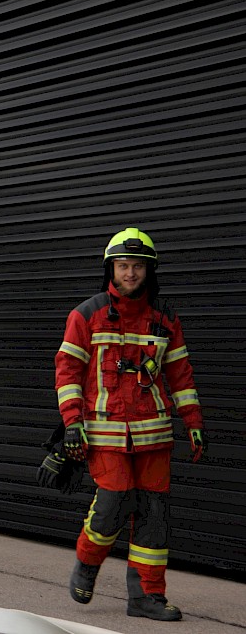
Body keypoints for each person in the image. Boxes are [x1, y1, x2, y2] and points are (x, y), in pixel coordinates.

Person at [55, 228, 206, 622]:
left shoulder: (165, 319)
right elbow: (67, 372)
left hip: (154, 435)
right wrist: (72, 423)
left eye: (137, 266)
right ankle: (87, 561)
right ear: (111, 268)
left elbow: (181, 375)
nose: (130, 273)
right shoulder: (86, 315)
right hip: (106, 433)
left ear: (148, 270)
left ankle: (147, 597)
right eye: (123, 265)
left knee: (154, 515)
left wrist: (193, 422)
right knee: (113, 504)